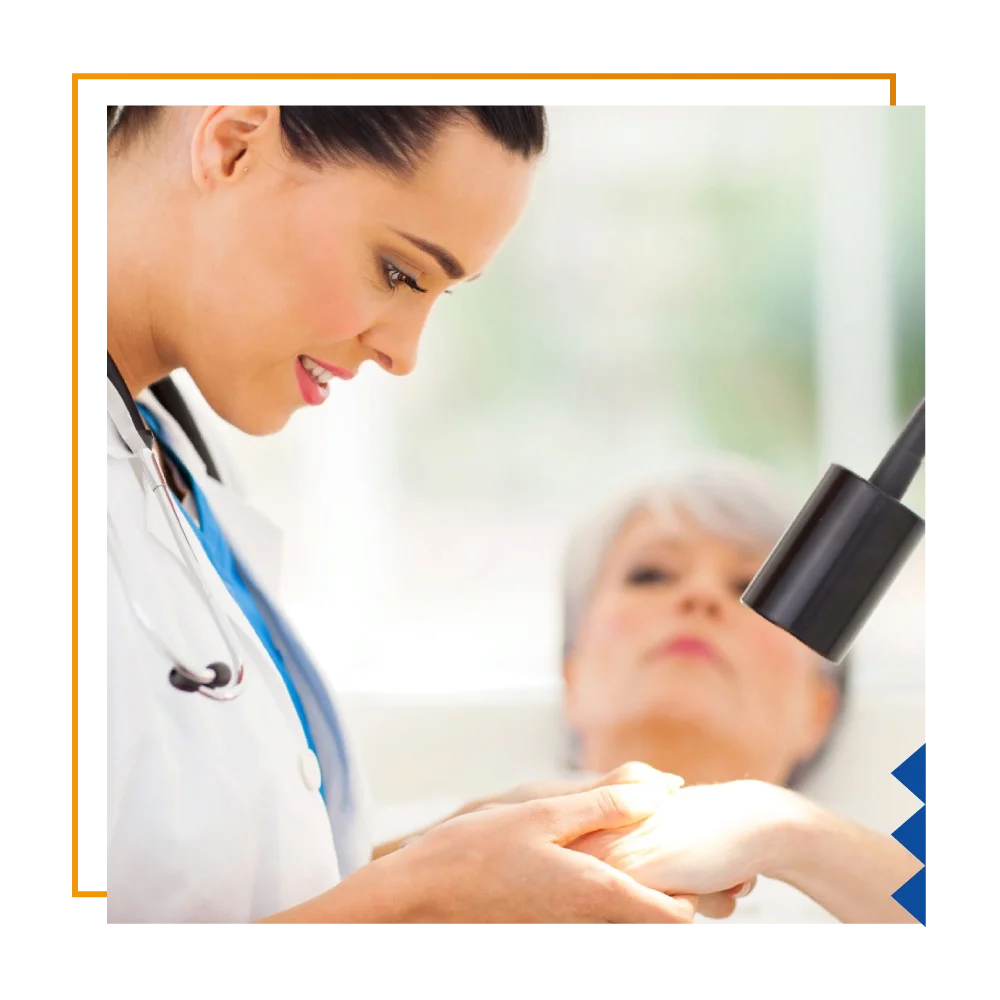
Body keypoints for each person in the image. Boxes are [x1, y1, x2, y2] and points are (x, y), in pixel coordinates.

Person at [103, 103, 754, 927]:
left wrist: (469, 858)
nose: (403, 354)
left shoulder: (163, 449)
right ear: (232, 144)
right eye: (400, 272)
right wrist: (419, 899)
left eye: (441, 294)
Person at [547, 455, 924, 925]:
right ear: (572, 673)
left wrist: (780, 828)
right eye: (652, 574)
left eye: (752, 585)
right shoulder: (445, 852)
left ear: (819, 709)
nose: (700, 595)